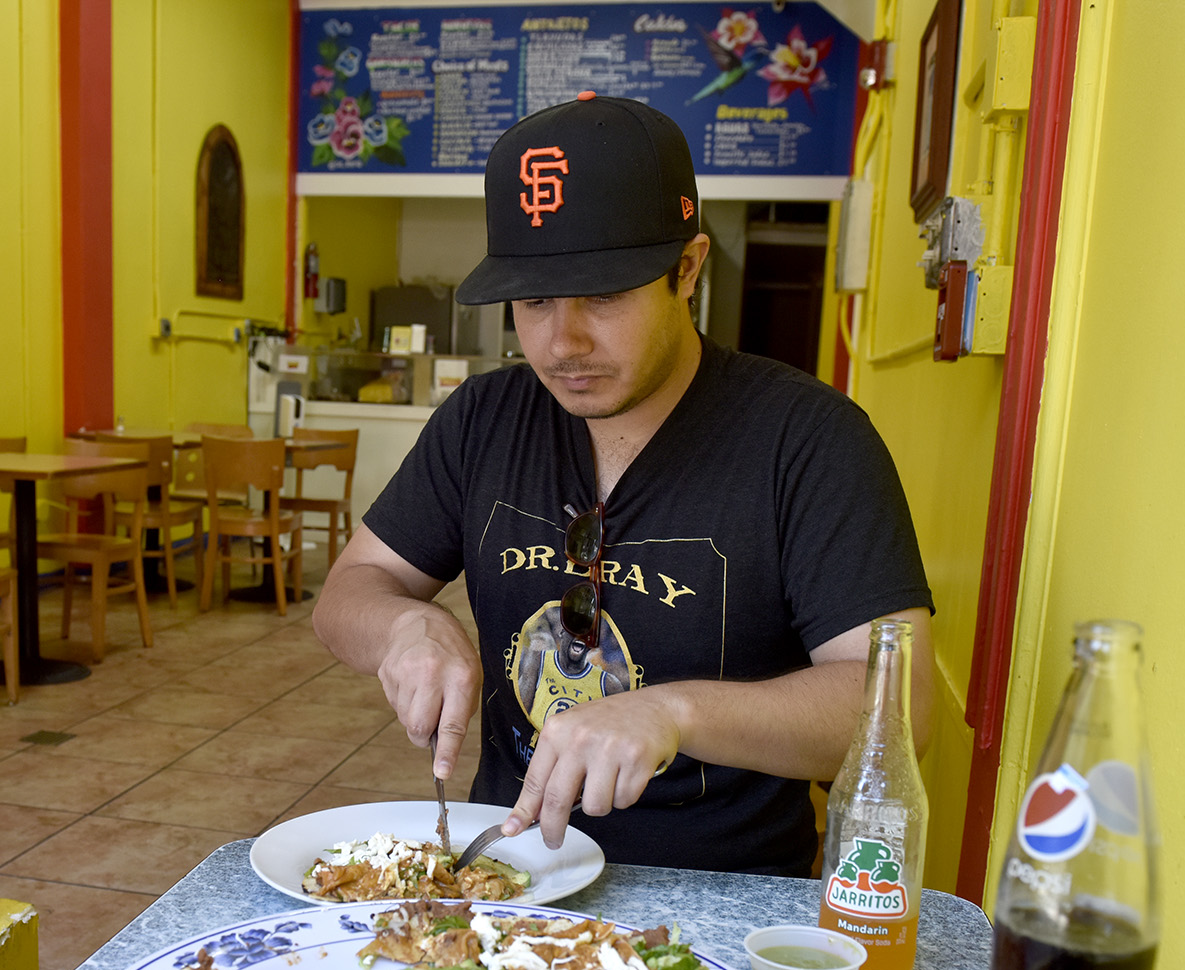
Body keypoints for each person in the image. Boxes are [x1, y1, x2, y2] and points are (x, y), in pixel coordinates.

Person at [311, 93, 935, 876]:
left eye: (602, 295)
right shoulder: (483, 420)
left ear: (689, 269)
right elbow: (347, 593)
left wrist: (674, 711)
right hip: (514, 876)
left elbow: (899, 705)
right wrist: (402, 626)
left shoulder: (808, 441)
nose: (562, 341)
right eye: (533, 301)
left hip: (716, 902)